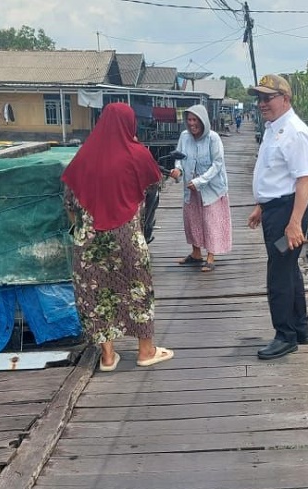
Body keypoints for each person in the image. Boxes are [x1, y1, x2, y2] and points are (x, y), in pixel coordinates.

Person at [61, 103, 174, 372]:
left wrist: (80, 227)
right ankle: (146, 350)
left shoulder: (84, 156)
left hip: (90, 241)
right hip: (127, 237)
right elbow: (153, 186)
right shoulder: (138, 154)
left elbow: (69, 202)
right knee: (138, 290)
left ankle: (108, 356)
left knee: (95, 294)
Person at [246, 74, 308, 360]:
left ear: (285, 98)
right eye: (259, 98)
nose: (262, 103)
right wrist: (262, 206)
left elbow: (304, 180)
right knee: (288, 270)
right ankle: (301, 328)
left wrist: (294, 222)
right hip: (276, 210)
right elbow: (276, 174)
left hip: (288, 213)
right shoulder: (274, 128)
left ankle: (285, 336)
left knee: (279, 275)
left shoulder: (295, 132)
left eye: (268, 98)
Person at [169, 104, 232, 272]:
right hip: (191, 188)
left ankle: (211, 256)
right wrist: (177, 170)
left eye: (195, 120)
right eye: (189, 120)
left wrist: (200, 181)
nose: (191, 124)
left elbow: (217, 164)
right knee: (192, 221)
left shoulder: (213, 138)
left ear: (203, 121)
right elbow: (180, 158)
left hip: (211, 188)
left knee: (210, 221)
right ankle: (196, 253)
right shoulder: (184, 136)